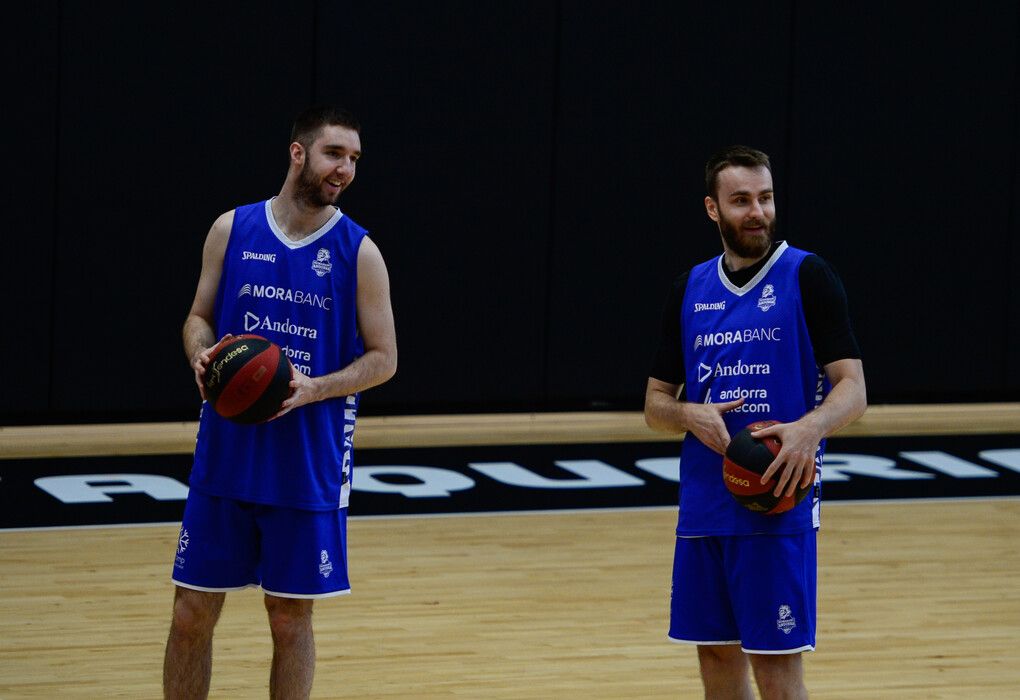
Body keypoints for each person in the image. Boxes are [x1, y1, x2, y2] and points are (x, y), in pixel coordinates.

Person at [163, 106, 397, 699]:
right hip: (226, 454)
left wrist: (314, 388)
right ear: (298, 154)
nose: (345, 169)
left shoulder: (359, 253)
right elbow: (197, 317)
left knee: (289, 620)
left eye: (354, 159)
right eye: (334, 154)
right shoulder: (232, 228)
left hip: (306, 466)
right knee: (191, 613)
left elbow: (384, 359)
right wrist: (200, 352)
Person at [644, 145, 866, 699]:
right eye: (740, 201)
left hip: (778, 498)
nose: (757, 212)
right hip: (704, 500)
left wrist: (808, 430)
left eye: (765, 198)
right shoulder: (688, 288)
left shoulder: (808, 276)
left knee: (774, 667)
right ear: (713, 209)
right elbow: (654, 406)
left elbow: (853, 389)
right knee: (716, 656)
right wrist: (686, 413)